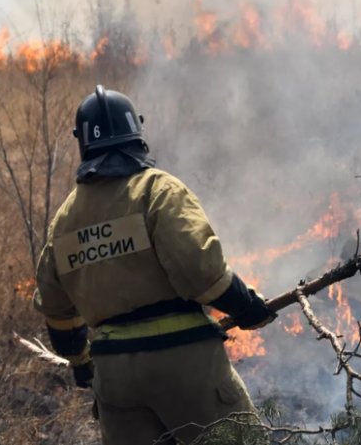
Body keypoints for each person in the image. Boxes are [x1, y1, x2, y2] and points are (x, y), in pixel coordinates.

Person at [32, 85, 275, 445]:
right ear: (136, 133)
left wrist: (80, 360)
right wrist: (248, 307)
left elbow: (57, 310)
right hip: (183, 363)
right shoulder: (157, 190)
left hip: (114, 375)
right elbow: (200, 271)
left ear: (82, 143)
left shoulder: (65, 219)